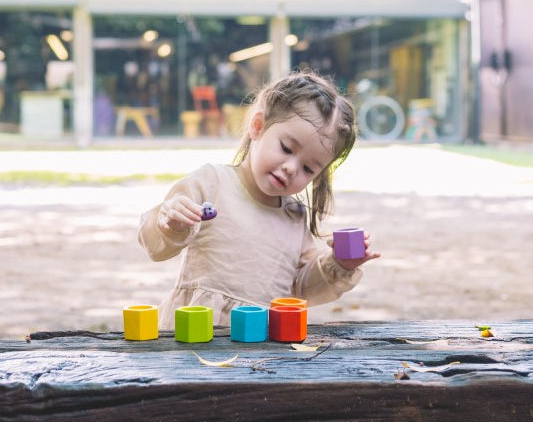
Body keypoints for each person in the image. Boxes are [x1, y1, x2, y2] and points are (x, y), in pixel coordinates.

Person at [138, 70, 380, 328]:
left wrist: (339, 264)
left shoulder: (294, 216)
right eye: (286, 148)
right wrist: (170, 222)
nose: (291, 168)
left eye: (308, 169)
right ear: (257, 126)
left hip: (261, 349)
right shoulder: (211, 183)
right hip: (195, 337)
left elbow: (301, 286)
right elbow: (154, 245)